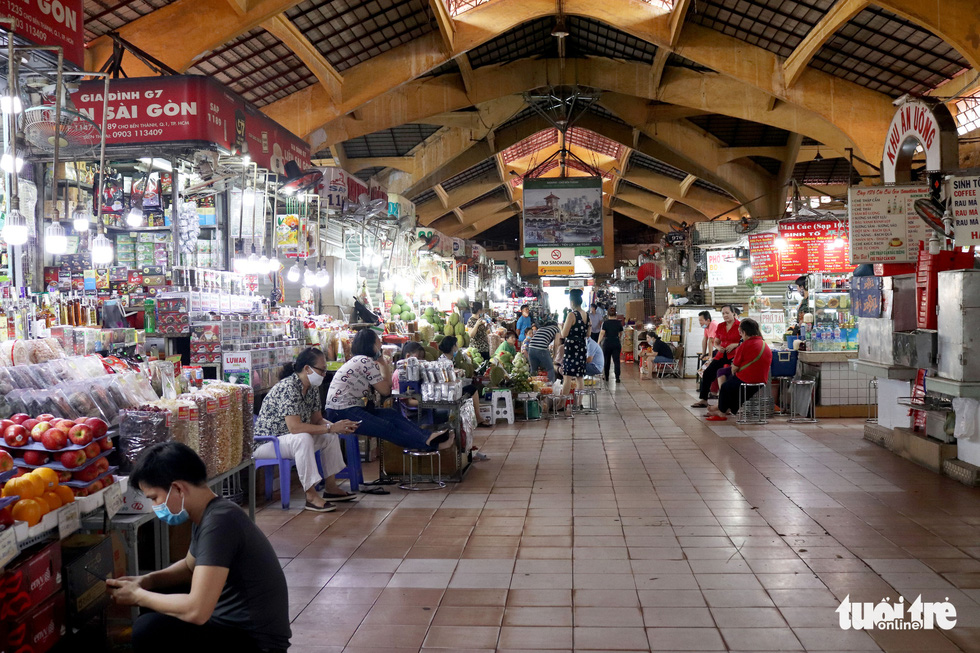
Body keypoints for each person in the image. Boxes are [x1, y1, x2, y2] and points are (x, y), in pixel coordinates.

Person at [107, 442, 290, 653]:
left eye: (155, 498)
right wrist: (147, 581)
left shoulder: (220, 522)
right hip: (233, 627)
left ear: (177, 488)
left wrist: (137, 595)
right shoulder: (211, 513)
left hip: (255, 643)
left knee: (148, 629)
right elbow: (188, 567)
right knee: (157, 594)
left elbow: (197, 611)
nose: (156, 506)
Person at [254, 348, 360, 512]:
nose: (324, 374)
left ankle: (331, 488)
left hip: (288, 439)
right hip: (268, 442)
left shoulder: (311, 388)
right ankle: (310, 496)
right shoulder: (289, 387)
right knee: (303, 438)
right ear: (307, 369)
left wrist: (337, 427)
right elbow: (295, 427)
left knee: (330, 436)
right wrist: (330, 427)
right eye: (322, 370)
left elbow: (317, 420)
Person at [325, 330, 453, 451]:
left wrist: (381, 361)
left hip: (351, 408)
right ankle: (432, 444)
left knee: (391, 414)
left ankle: (428, 437)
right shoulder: (365, 361)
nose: (381, 344)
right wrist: (381, 361)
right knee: (386, 427)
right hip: (341, 412)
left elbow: (388, 385)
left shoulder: (359, 360)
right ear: (372, 345)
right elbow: (386, 390)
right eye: (378, 342)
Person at [707, 318, 772, 421]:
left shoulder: (745, 345)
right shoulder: (764, 344)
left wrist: (734, 372)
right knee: (732, 386)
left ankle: (721, 411)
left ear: (744, 332)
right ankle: (723, 408)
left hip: (747, 379)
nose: (740, 336)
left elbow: (735, 368)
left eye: (740, 333)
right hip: (762, 380)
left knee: (725, 387)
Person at [692, 305, 741, 408]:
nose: (725, 315)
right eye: (723, 313)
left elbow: (745, 341)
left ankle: (731, 402)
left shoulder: (740, 326)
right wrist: (718, 348)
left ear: (733, 313)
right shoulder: (721, 326)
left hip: (735, 354)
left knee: (731, 375)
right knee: (707, 373)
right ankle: (704, 399)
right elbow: (716, 342)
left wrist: (735, 345)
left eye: (727, 313)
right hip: (722, 354)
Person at [438, 336, 487, 425]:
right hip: (449, 392)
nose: (457, 348)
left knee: (472, 388)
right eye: (456, 345)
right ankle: (478, 417)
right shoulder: (444, 362)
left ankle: (476, 417)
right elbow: (447, 379)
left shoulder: (447, 359)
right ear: (452, 347)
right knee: (473, 389)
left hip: (451, 390)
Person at [560, 288, 589, 399]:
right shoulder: (586, 315)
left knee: (567, 376)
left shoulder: (572, 315)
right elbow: (588, 334)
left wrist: (560, 327)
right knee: (579, 377)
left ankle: (562, 403)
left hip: (571, 348)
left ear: (572, 302)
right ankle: (579, 403)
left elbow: (564, 334)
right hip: (581, 347)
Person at [597, 306, 624, 383]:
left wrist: (598, 342)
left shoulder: (605, 323)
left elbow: (602, 333)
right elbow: (621, 333)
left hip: (607, 342)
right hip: (616, 342)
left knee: (606, 360)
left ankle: (606, 376)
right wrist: (618, 338)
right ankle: (617, 377)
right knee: (616, 360)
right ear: (615, 314)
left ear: (608, 315)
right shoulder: (619, 323)